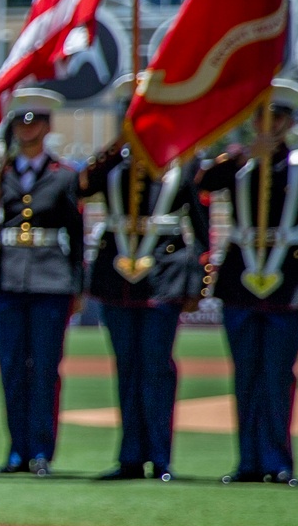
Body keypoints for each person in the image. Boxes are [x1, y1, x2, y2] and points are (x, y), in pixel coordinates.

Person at [195, 79, 298, 485]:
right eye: (262, 117)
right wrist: (240, 157)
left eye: (277, 117)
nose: (268, 125)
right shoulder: (238, 163)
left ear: (289, 122)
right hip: (240, 280)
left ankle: (278, 460)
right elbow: (202, 184)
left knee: (277, 374)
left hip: (287, 280)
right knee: (245, 374)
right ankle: (249, 461)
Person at [77, 76, 210, 481]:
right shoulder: (113, 162)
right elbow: (82, 188)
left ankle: (161, 457)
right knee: (126, 367)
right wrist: (117, 142)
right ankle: (131, 456)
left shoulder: (182, 161)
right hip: (118, 279)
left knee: (156, 367)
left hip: (165, 276)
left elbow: (202, 229)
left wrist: (197, 284)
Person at [0, 87, 84, 476]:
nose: (27, 129)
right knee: (11, 369)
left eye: (35, 121)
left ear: (47, 125)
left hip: (51, 280)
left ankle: (40, 451)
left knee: (43, 369)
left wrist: (78, 286)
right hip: (7, 278)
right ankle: (16, 450)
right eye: (21, 122)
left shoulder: (64, 176)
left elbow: (77, 235)